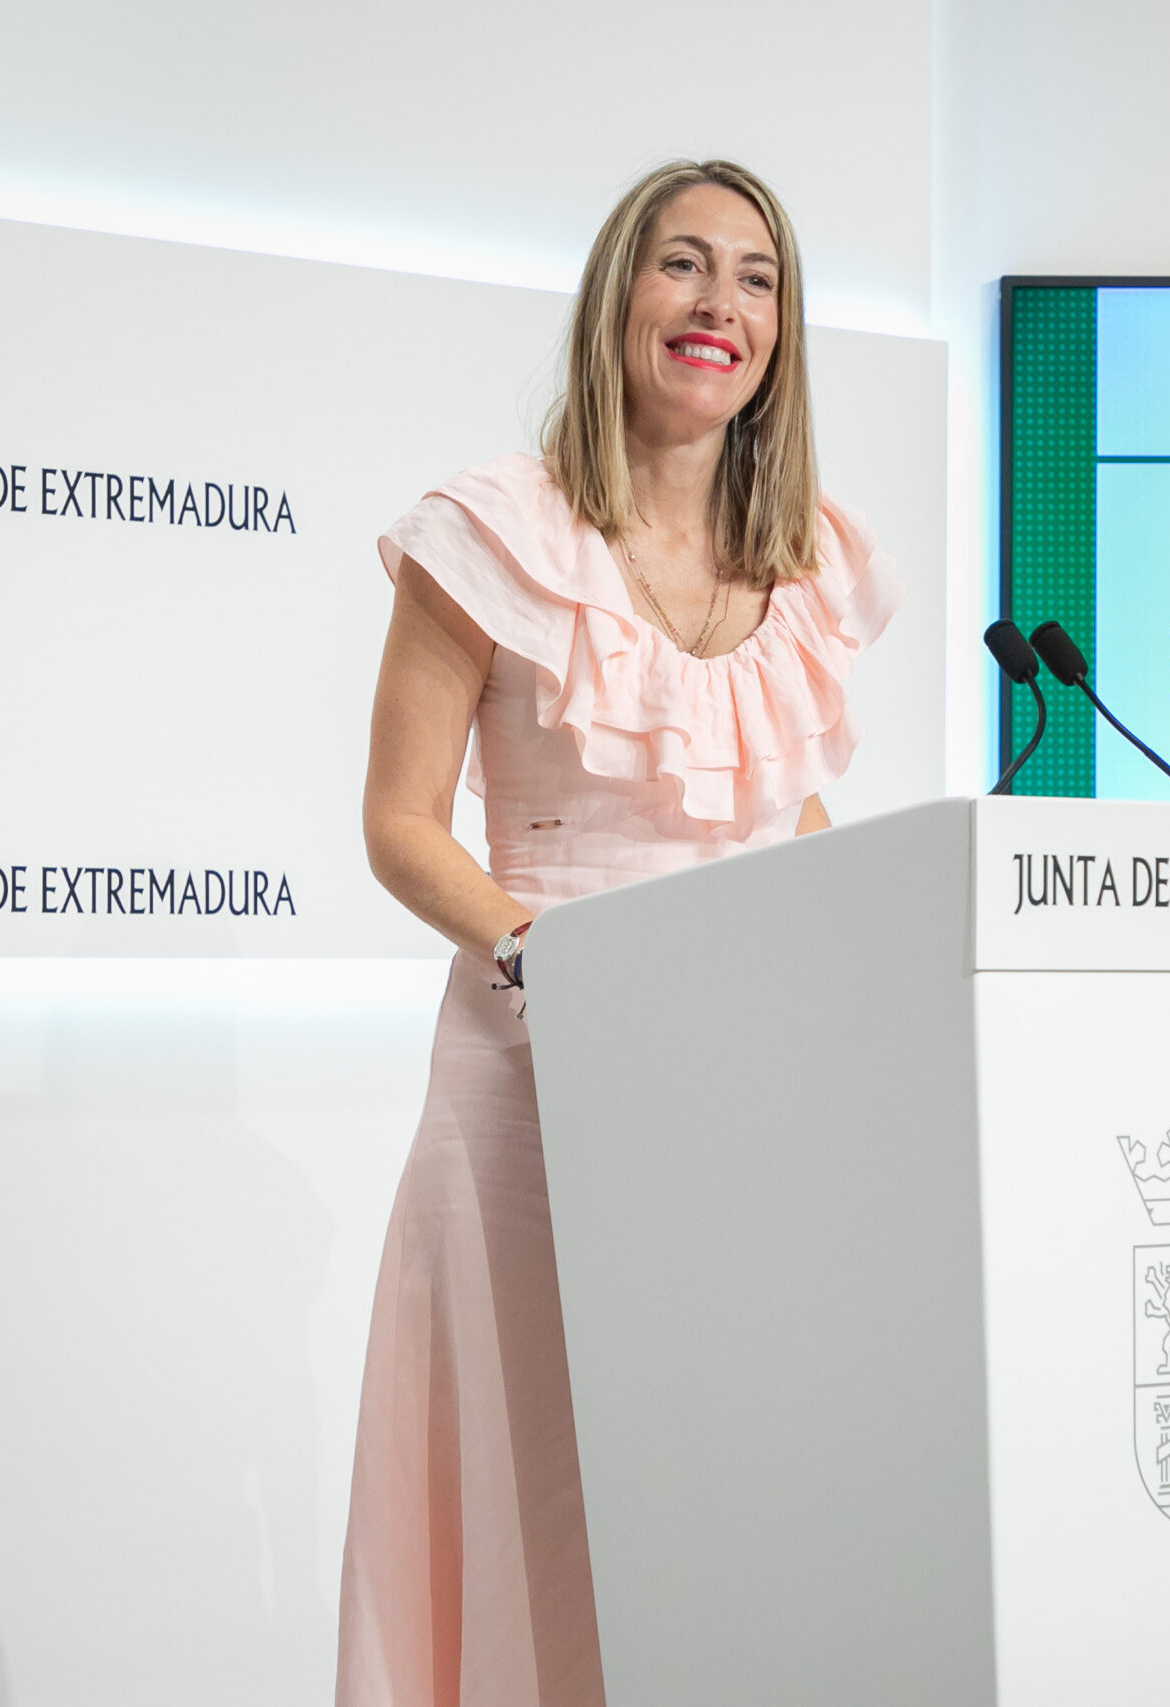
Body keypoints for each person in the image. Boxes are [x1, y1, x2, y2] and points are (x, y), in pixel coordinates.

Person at [336, 159, 898, 1706]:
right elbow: (399, 823)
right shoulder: (493, 530)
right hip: (534, 1077)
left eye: (758, 278)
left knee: (722, 1490)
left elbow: (781, 820)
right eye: (685, 264)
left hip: (746, 1095)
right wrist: (554, 963)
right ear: (619, 298)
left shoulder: (813, 566)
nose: (722, 304)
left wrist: (876, 945)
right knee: (537, 1487)